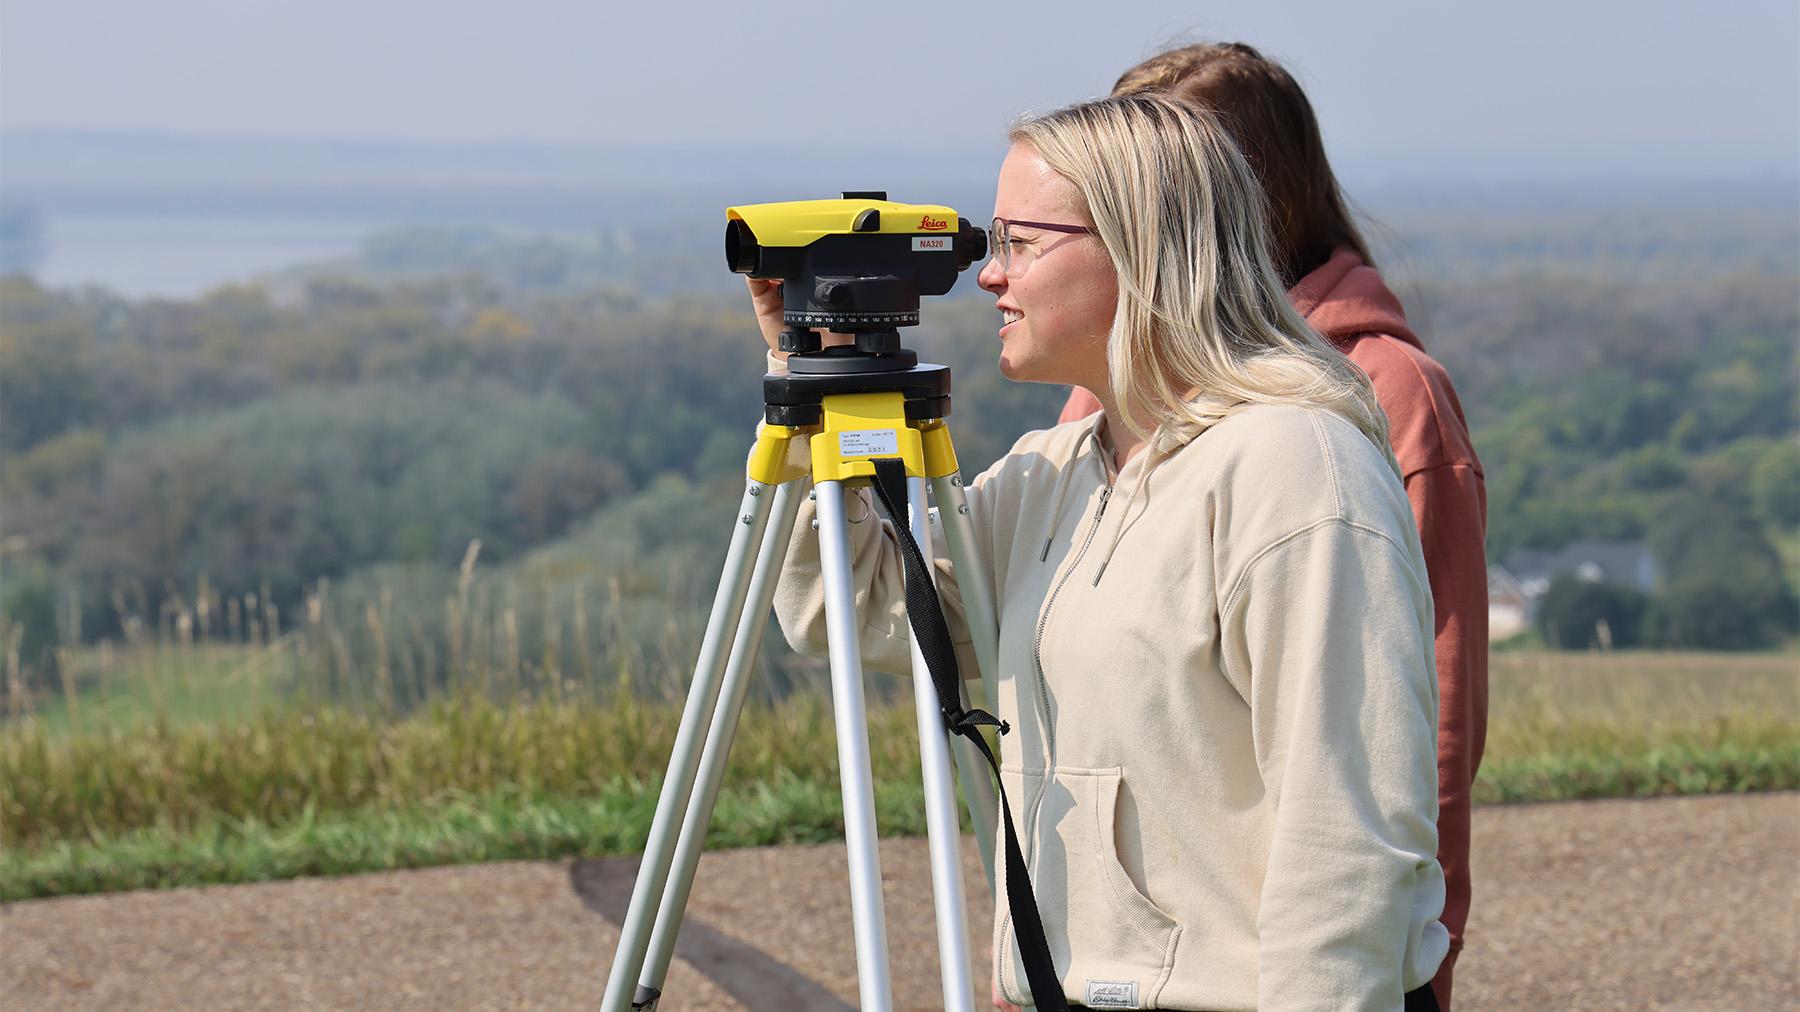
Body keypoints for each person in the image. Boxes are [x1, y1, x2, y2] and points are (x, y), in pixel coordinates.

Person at [752, 94, 1448, 1011]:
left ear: (1137, 247)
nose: (988, 277)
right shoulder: (1055, 473)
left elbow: (1348, 831)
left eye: (1018, 242)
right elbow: (856, 614)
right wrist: (811, 380)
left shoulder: (1296, 468)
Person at [1055, 43, 1487, 1009]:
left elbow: (1431, 721)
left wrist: (1416, 956)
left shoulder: (1389, 394)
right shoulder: (1102, 391)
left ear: (1244, 195)